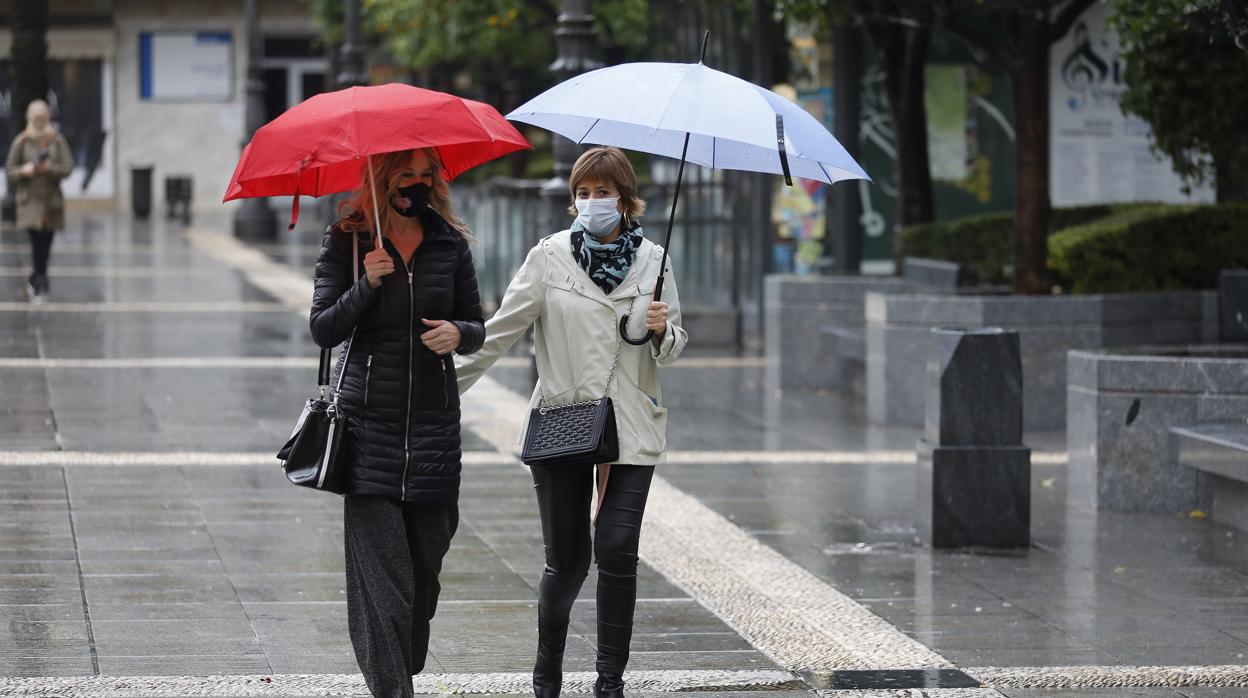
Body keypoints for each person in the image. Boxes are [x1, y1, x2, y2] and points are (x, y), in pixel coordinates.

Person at [455, 146, 689, 698]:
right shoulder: (548, 257)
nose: (591, 203)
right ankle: (547, 671)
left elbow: (674, 347)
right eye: (582, 193)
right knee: (567, 561)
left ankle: (610, 682)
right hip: (564, 420)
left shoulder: (655, 260)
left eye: (602, 192)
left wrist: (660, 330)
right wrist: (441, 390)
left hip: (631, 425)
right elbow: (499, 331)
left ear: (626, 199)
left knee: (616, 546)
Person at [309, 148, 485, 698]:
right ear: (380, 180)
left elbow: (476, 322)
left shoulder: (449, 243)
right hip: (367, 429)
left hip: (434, 430)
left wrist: (459, 334)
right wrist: (366, 283)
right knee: (385, 585)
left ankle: (397, 670)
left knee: (422, 577)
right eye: (403, 175)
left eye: (424, 175)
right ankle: (392, 689)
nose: (414, 185)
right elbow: (322, 329)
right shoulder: (348, 238)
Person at [5, 99, 74, 301]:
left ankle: (38, 277)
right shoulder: (22, 140)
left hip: (51, 201)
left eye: (43, 118)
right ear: (30, 117)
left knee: (47, 240)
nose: (40, 122)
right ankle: (40, 279)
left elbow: (68, 166)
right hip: (29, 201)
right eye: (36, 118)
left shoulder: (57, 140)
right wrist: (25, 170)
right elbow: (10, 171)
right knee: (37, 241)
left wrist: (50, 168)